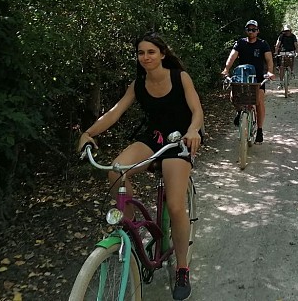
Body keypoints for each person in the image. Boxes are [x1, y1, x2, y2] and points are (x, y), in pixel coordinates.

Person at [77, 33, 203, 301]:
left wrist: (193, 130)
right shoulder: (138, 85)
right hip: (154, 138)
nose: (145, 57)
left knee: (176, 206)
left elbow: (197, 110)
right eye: (141, 53)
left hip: (180, 140)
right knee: (115, 170)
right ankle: (130, 228)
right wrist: (88, 133)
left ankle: (181, 267)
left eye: (151, 52)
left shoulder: (180, 77)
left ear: (162, 54)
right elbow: (114, 112)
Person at [221, 20, 275, 144]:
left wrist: (270, 72)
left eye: (254, 29)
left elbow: (269, 59)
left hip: (258, 79)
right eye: (249, 29)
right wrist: (226, 69)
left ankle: (260, 130)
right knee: (233, 97)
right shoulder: (240, 43)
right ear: (246, 30)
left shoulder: (263, 44)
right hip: (242, 77)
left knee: (259, 101)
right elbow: (232, 57)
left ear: (258, 31)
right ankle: (240, 112)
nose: (251, 32)